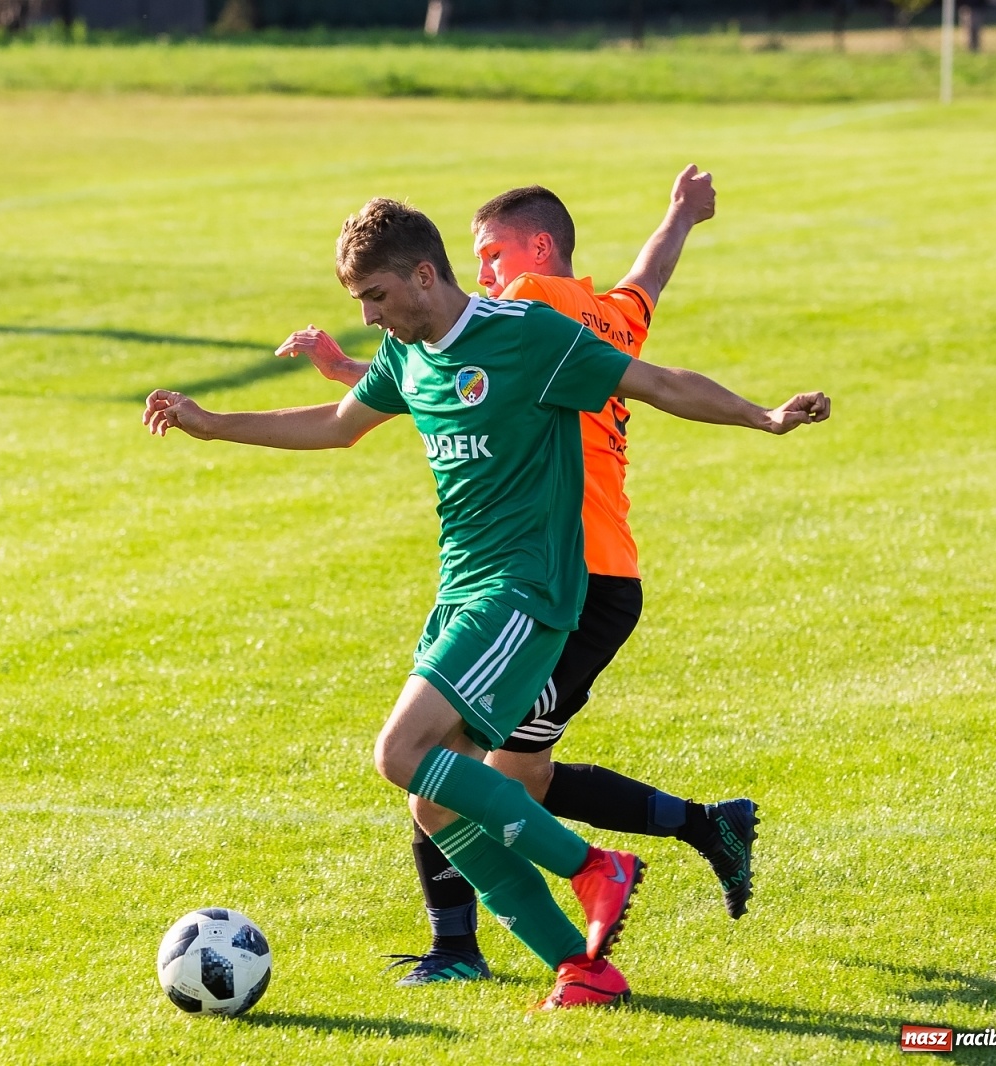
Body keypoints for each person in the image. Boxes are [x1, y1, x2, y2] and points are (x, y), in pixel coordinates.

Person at [143, 198, 829, 1010]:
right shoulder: (408, 356)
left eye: (377, 297)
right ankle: (584, 970)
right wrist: (212, 424)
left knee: (399, 752)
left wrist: (762, 416)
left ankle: (593, 868)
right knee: (433, 799)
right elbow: (334, 426)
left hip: (526, 587)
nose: (368, 315)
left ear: (424, 276)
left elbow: (654, 380)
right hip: (461, 589)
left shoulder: (524, 335)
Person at [276, 168, 761, 989]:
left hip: (556, 579)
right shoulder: (604, 315)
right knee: (465, 786)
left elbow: (489, 342)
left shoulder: (538, 308)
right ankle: (584, 952)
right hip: (555, 577)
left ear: (540, 251)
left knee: (471, 769)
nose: (487, 270)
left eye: (491, 254)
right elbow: (639, 283)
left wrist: (762, 415)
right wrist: (679, 214)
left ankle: (570, 887)